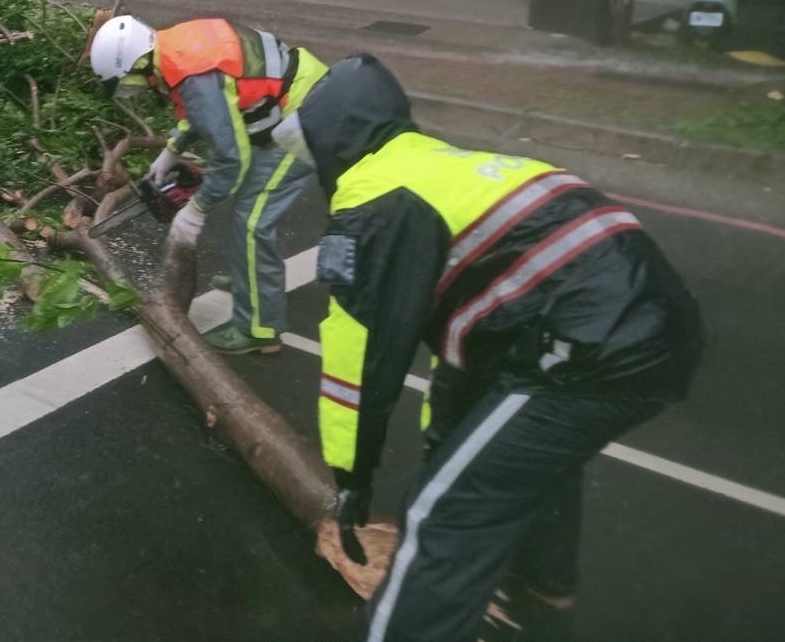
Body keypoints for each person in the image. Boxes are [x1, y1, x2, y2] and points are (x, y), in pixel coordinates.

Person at [271, 54, 701, 641]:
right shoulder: (441, 166)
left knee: (441, 511)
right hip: (642, 323)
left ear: (332, 141)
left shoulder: (371, 202)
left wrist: (352, 480)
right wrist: (444, 442)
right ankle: (542, 600)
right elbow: (462, 375)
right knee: (520, 464)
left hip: (590, 343)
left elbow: (359, 367)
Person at [88, 15, 328, 353]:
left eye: (129, 80)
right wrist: (172, 149)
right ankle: (250, 278)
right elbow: (209, 106)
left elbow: (232, 159)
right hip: (288, 105)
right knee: (250, 202)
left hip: (307, 116)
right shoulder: (175, 48)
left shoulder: (191, 72)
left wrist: (195, 211)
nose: (134, 88)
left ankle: (260, 328)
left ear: (137, 62)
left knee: (252, 222)